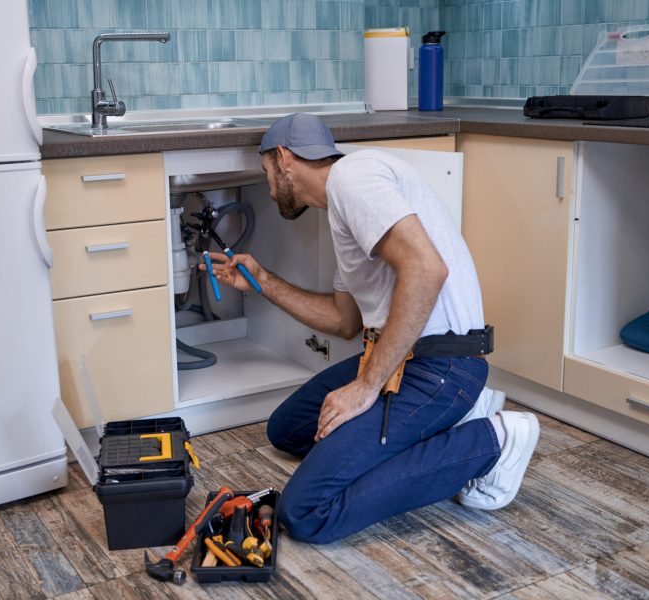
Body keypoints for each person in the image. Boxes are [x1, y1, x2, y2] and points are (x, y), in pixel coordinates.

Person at [204, 113, 540, 544]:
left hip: (441, 367)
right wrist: (262, 282)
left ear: (285, 159)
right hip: (407, 360)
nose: (269, 188)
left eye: (267, 172)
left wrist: (365, 387)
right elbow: (344, 321)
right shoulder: (344, 207)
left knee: (305, 511)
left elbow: (425, 268)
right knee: (286, 428)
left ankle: (494, 441)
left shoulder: (353, 178)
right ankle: (442, 425)